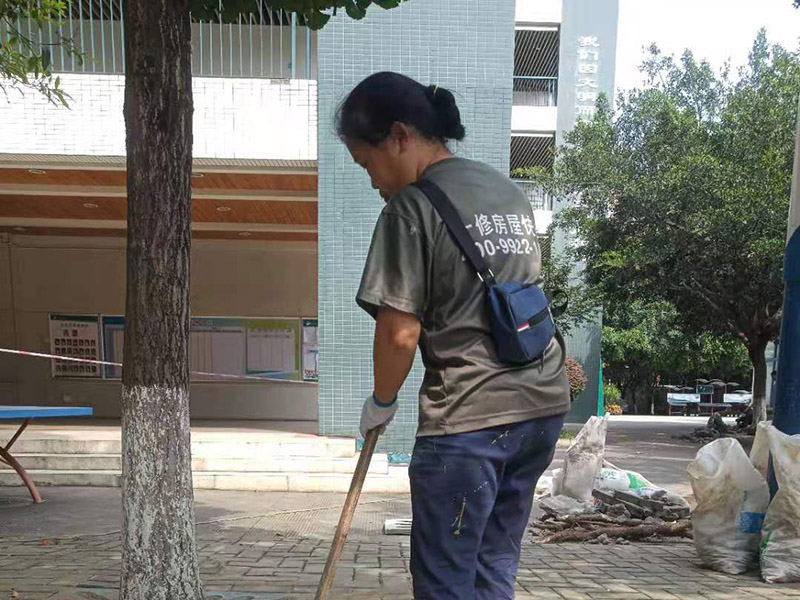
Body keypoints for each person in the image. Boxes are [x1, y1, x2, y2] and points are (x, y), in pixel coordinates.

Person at [337, 71, 570, 600]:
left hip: (469, 421)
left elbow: (400, 333)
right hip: (541, 408)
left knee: (445, 581)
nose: (372, 181)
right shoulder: (507, 191)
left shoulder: (410, 207)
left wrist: (380, 403)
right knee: (493, 564)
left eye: (367, 163)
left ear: (399, 136)